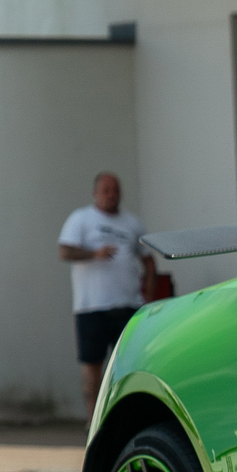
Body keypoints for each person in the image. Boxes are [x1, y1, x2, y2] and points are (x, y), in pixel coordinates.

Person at [59, 171, 155, 415]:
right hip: (92, 307)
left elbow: (149, 261)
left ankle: (127, 416)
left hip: (128, 305)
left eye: (116, 190)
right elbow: (65, 252)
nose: (112, 195)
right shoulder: (81, 219)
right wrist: (94, 254)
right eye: (106, 190)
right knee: (93, 364)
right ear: (95, 193)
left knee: (130, 366)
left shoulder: (132, 223)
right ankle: (93, 419)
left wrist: (150, 299)